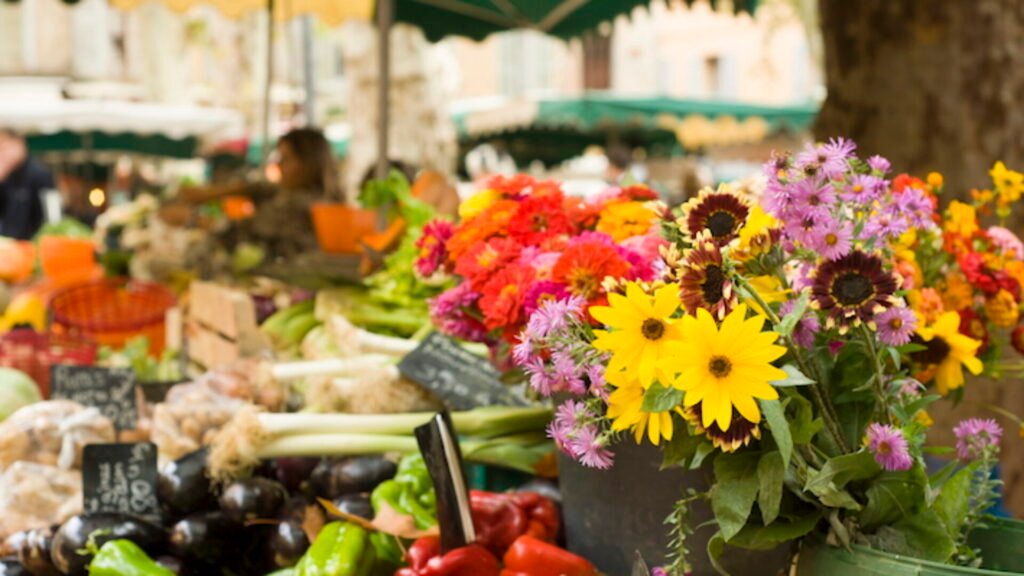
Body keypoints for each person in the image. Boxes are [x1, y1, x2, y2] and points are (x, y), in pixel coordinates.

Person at [163, 128, 341, 259]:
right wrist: (212, 193)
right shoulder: (319, 194)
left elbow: (242, 231)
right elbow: (262, 188)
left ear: (308, 164)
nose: (278, 165)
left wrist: (193, 219)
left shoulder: (304, 203)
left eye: (286, 159)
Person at [0, 129, 54, 240]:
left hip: (33, 245)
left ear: (19, 143)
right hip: (9, 245)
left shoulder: (41, 174)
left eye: (4, 147)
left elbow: (53, 216)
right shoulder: (7, 176)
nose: (3, 154)